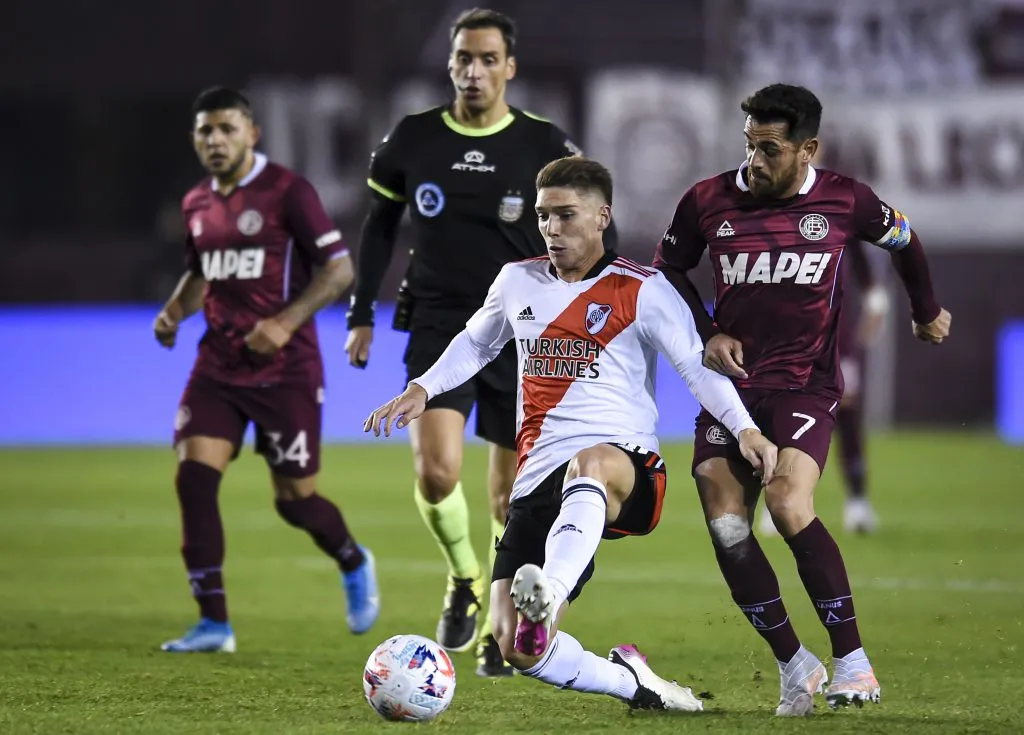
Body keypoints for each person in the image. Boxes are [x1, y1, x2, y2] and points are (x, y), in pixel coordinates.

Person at [364, 156, 778, 711]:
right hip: (539, 478)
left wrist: (745, 429)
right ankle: (636, 685)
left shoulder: (643, 288)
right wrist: (423, 388)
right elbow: (477, 342)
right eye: (543, 216)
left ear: (602, 216)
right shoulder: (518, 281)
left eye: (566, 215)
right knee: (519, 648)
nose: (551, 229)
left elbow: (695, 366)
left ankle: (550, 591)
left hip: (625, 468)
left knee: (592, 462)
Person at [654, 83, 951, 715]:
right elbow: (668, 270)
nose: (754, 160)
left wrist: (925, 311)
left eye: (770, 149)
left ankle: (854, 662)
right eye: (749, 145)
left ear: (807, 149)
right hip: (731, 390)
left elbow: (905, 241)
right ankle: (795, 663)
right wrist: (707, 331)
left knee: (788, 503)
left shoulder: (846, 200)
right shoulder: (706, 200)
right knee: (727, 526)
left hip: (805, 384)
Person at [345, 8, 604, 676]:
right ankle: (463, 574)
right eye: (464, 57)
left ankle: (496, 621)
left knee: (508, 496)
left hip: (525, 330)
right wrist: (361, 311)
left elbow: (590, 227)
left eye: (488, 59)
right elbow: (379, 226)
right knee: (435, 472)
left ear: (509, 67)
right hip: (438, 324)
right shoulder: (413, 138)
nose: (474, 70)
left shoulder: (544, 143)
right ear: (451, 63)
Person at [154, 86, 379, 653]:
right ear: (194, 140)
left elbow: (339, 270)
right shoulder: (196, 203)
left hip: (286, 369)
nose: (215, 140)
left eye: (227, 129)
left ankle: (352, 559)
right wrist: (174, 312)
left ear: (251, 134)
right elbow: (201, 272)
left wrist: (283, 322)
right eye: (205, 131)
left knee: (295, 501)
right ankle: (214, 623)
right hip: (218, 365)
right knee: (194, 479)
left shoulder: (287, 191)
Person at [757, 241, 887, 537]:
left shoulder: (840, 220)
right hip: (786, 338)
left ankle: (857, 501)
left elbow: (861, 261)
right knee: (781, 411)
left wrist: (876, 303)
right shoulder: (774, 227)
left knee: (847, 410)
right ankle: (776, 499)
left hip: (837, 339)